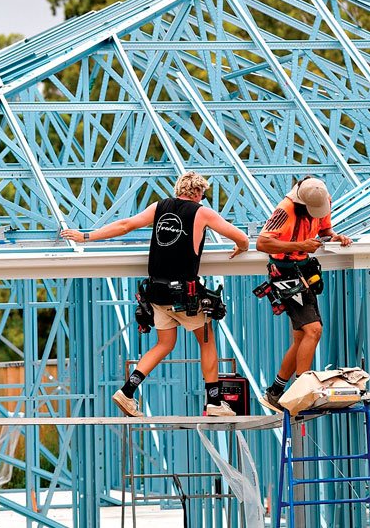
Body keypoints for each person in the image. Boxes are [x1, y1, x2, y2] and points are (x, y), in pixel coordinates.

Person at [61, 171, 250, 417]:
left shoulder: (159, 207)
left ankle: (127, 391)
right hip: (185, 296)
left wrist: (86, 236)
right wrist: (241, 248)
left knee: (165, 344)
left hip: (157, 293)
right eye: (202, 194)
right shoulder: (202, 212)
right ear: (197, 192)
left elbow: (125, 225)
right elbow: (241, 238)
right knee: (207, 341)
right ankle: (214, 402)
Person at [255, 176, 352, 412]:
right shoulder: (285, 210)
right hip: (285, 274)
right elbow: (262, 243)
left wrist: (334, 236)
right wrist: (299, 246)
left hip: (303, 270)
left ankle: (275, 392)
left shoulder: (321, 199)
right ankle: (301, 391)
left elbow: (324, 229)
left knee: (301, 338)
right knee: (314, 330)